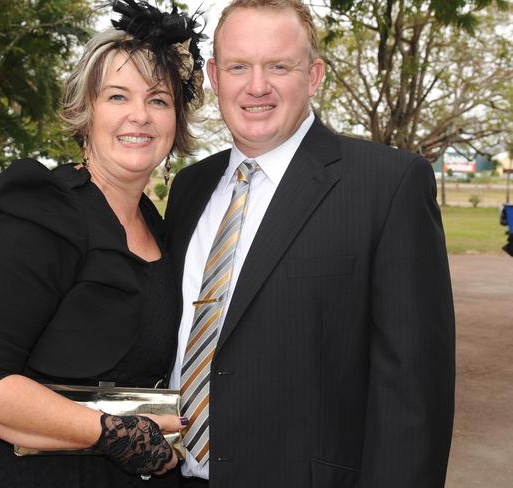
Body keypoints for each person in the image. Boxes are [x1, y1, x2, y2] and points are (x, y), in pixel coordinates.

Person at [165, 1, 455, 487]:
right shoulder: (190, 188)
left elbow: (415, 394)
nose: (257, 86)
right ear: (215, 76)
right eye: (239, 66)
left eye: (279, 65)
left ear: (314, 74)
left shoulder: (388, 185)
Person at [0, 1, 205, 486]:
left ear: (176, 122)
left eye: (159, 100)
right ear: (86, 111)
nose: (139, 116)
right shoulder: (44, 212)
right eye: (118, 97)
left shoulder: (160, 225)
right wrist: (111, 433)